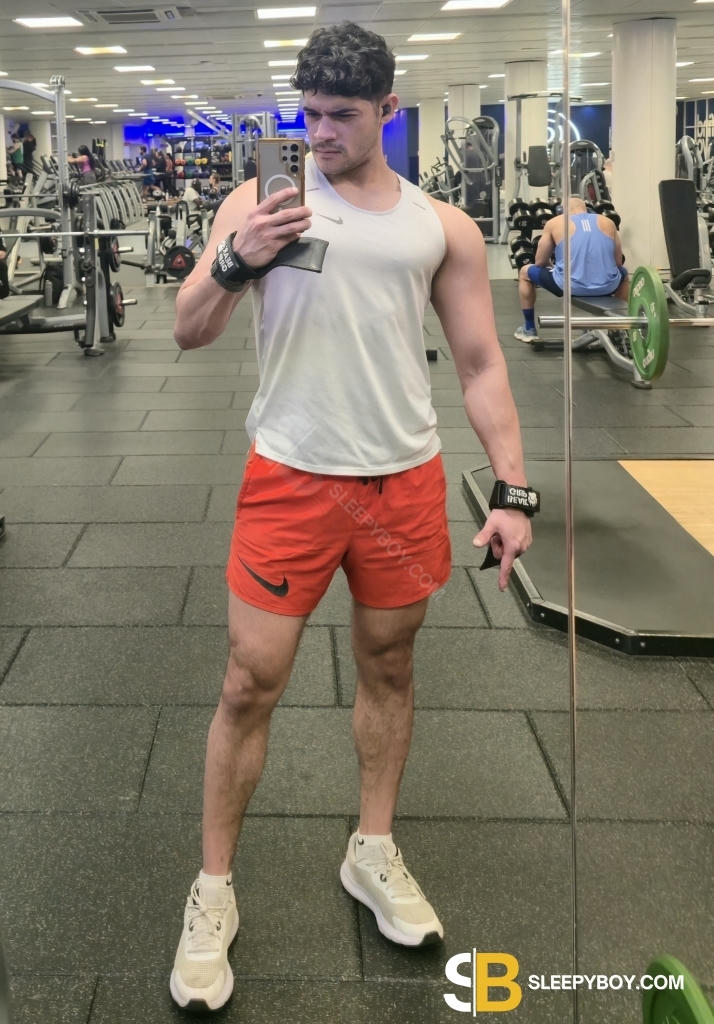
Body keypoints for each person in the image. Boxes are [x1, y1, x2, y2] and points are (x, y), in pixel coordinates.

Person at [170, 20, 535, 1014]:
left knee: (390, 666)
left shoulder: (439, 226)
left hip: (403, 482)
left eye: (340, 115)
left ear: (387, 110)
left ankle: (371, 848)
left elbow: (480, 364)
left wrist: (513, 489)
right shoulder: (262, 202)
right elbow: (188, 329)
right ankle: (212, 890)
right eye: (309, 114)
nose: (320, 133)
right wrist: (236, 259)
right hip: (291, 479)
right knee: (248, 683)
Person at [514, 196, 629, 343]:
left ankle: (529, 328)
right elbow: (618, 262)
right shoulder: (608, 222)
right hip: (608, 286)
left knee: (525, 272)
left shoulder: (554, 223)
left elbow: (540, 261)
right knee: (624, 273)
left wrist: (553, 268)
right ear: (586, 208)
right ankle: (617, 328)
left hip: (568, 286)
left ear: (562, 210)